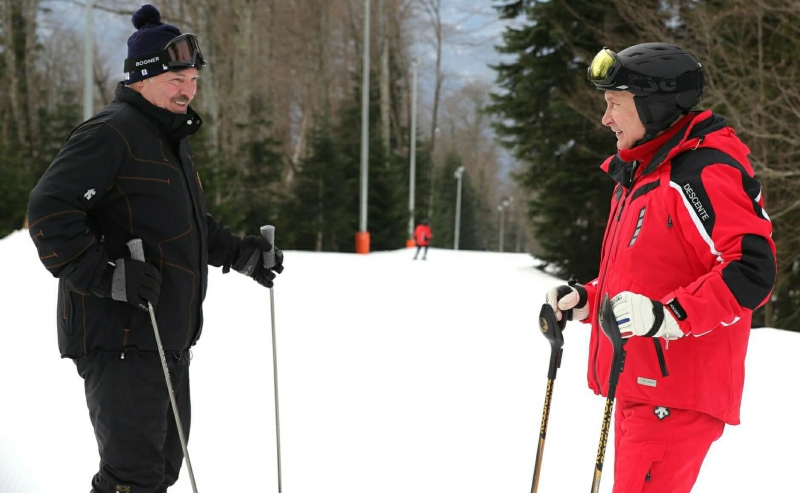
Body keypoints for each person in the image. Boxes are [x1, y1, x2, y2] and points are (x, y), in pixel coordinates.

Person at [27, 5, 283, 492]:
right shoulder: (111, 133)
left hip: (166, 337)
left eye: (192, 79)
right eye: (174, 79)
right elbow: (49, 211)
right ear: (141, 79)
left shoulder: (167, 141)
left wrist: (242, 254)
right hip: (121, 336)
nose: (187, 89)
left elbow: (186, 225)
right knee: (133, 480)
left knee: (159, 472)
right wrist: (106, 275)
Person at [546, 43, 776, 492]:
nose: (605, 118)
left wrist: (671, 316)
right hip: (642, 387)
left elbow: (751, 270)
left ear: (653, 107)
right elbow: (646, 277)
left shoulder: (700, 172)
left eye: (615, 104)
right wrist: (588, 300)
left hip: (674, 395)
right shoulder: (641, 175)